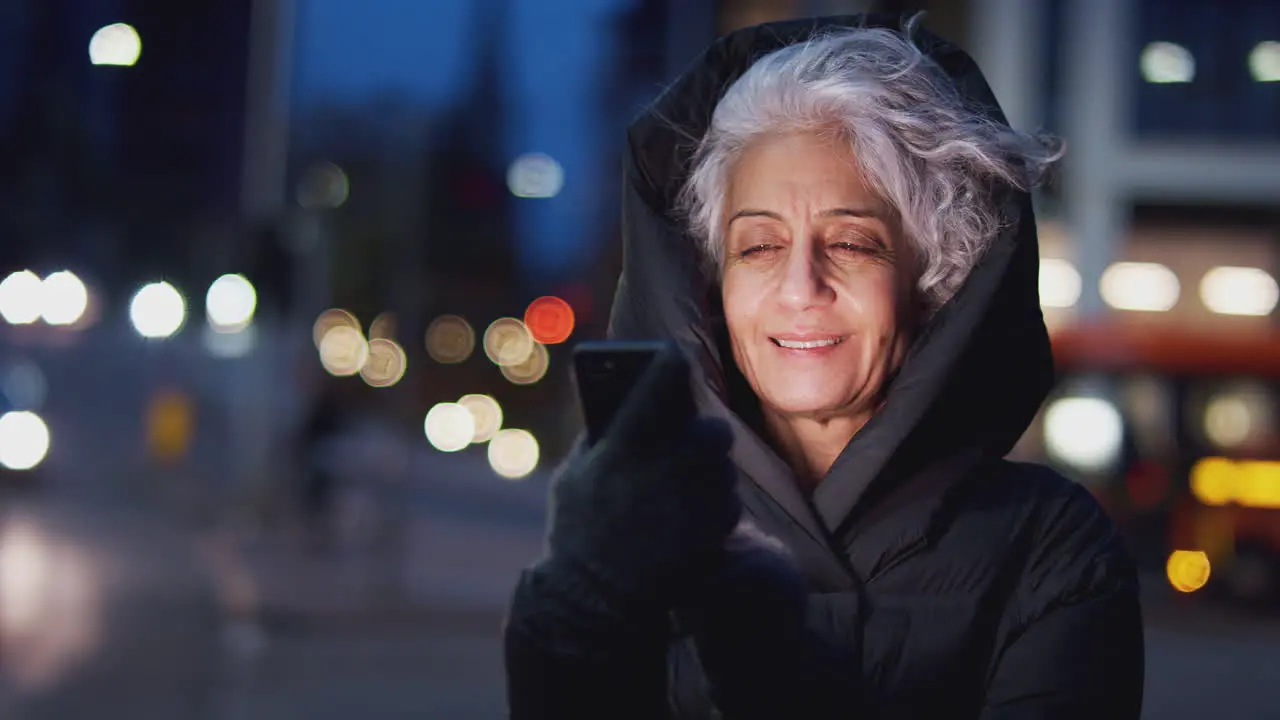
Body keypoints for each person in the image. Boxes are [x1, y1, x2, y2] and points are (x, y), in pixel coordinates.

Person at [504, 14, 1145, 719]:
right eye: (757, 247)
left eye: (850, 243)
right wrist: (567, 627)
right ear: (711, 283)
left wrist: (777, 675)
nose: (800, 286)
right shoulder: (637, 538)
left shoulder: (1051, 551)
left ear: (931, 277)